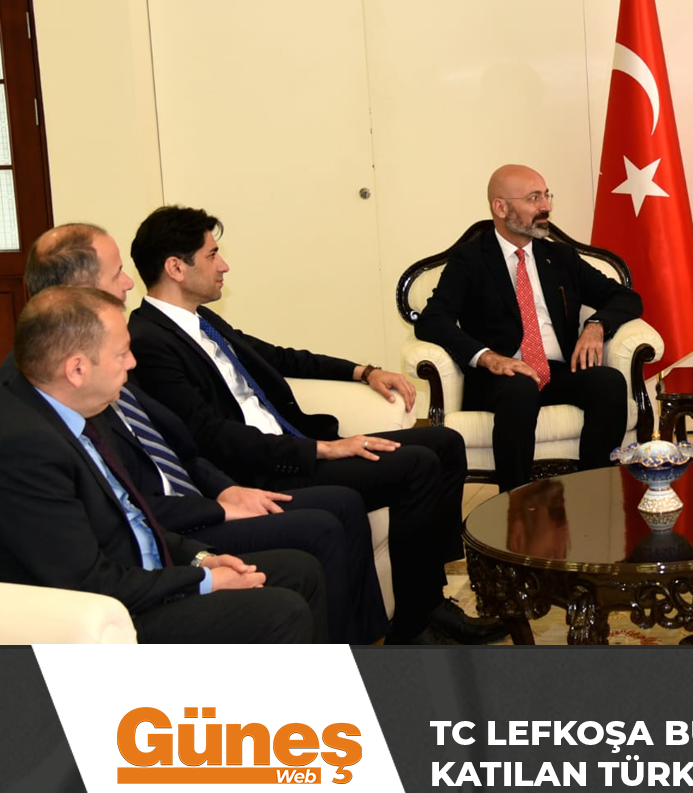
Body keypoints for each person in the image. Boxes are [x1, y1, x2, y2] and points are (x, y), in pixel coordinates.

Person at [124, 205, 483, 645]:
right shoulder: (150, 341)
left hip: (294, 443)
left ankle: (430, 598)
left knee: (445, 441)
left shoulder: (202, 320)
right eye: (212, 255)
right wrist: (321, 449)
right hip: (266, 468)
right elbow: (209, 436)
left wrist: (363, 371)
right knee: (417, 465)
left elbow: (278, 358)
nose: (224, 266)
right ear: (176, 268)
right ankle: (416, 622)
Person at [17, 223, 388, 644]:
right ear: (79, 292)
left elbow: (178, 450)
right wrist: (206, 547)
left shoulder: (97, 364)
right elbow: (122, 522)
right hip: (148, 561)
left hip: (181, 519)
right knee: (315, 539)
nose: (129, 282)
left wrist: (225, 495)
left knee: (334, 517)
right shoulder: (58, 400)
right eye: (117, 272)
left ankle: (365, 651)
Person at [0, 287, 325, 642]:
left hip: (136, 576)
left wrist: (199, 560)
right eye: (122, 354)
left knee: (300, 570)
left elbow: (131, 517)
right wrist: (205, 582)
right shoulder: (23, 449)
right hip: (100, 616)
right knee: (281, 610)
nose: (132, 363)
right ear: (77, 369)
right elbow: (87, 582)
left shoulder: (72, 409)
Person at [414, 164, 643, 490]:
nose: (546, 207)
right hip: (499, 377)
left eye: (547, 196)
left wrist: (596, 326)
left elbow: (625, 298)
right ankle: (514, 502)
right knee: (519, 390)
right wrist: (488, 357)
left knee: (608, 382)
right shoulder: (471, 259)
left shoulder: (560, 256)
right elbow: (433, 320)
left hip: (557, 370)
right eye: (534, 198)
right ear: (500, 207)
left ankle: (591, 492)